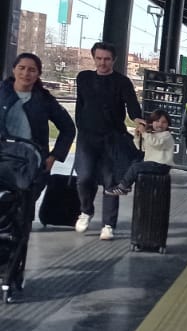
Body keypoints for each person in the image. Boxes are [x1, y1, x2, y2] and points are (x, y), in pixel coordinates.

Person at [1, 52, 76, 302]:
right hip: (2, 164)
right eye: (21, 68)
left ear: (38, 74)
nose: (26, 73)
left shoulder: (44, 100)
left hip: (30, 169)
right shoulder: (2, 93)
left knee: (20, 222)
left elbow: (68, 128)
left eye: (31, 70)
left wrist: (53, 157)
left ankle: (12, 276)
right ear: (14, 69)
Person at [72, 41, 144, 241]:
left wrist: (138, 119)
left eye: (107, 59)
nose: (102, 63)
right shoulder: (83, 78)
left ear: (114, 60)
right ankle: (86, 210)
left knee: (110, 182)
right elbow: (81, 104)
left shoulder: (122, 82)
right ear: (93, 58)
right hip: (87, 137)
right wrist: (81, 126)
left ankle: (108, 224)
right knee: (84, 177)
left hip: (112, 138)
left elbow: (132, 106)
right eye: (99, 58)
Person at [117, 110, 177, 189]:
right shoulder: (152, 134)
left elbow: (156, 144)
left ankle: (123, 186)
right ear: (151, 122)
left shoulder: (166, 135)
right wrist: (138, 136)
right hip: (152, 163)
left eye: (164, 122)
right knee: (132, 163)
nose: (160, 124)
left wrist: (144, 133)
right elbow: (142, 147)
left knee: (136, 167)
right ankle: (126, 183)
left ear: (168, 124)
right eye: (157, 121)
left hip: (161, 165)